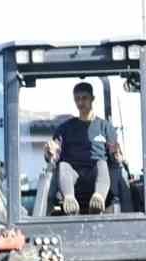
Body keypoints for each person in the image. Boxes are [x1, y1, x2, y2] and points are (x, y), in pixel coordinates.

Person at [45, 81, 122, 215]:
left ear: (92, 98)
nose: (80, 103)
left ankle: (99, 198)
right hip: (72, 176)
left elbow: (113, 150)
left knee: (102, 163)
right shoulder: (65, 128)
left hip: (96, 175)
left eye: (84, 98)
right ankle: (69, 198)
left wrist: (117, 155)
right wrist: (49, 153)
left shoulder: (105, 127)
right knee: (63, 165)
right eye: (77, 99)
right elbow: (54, 151)